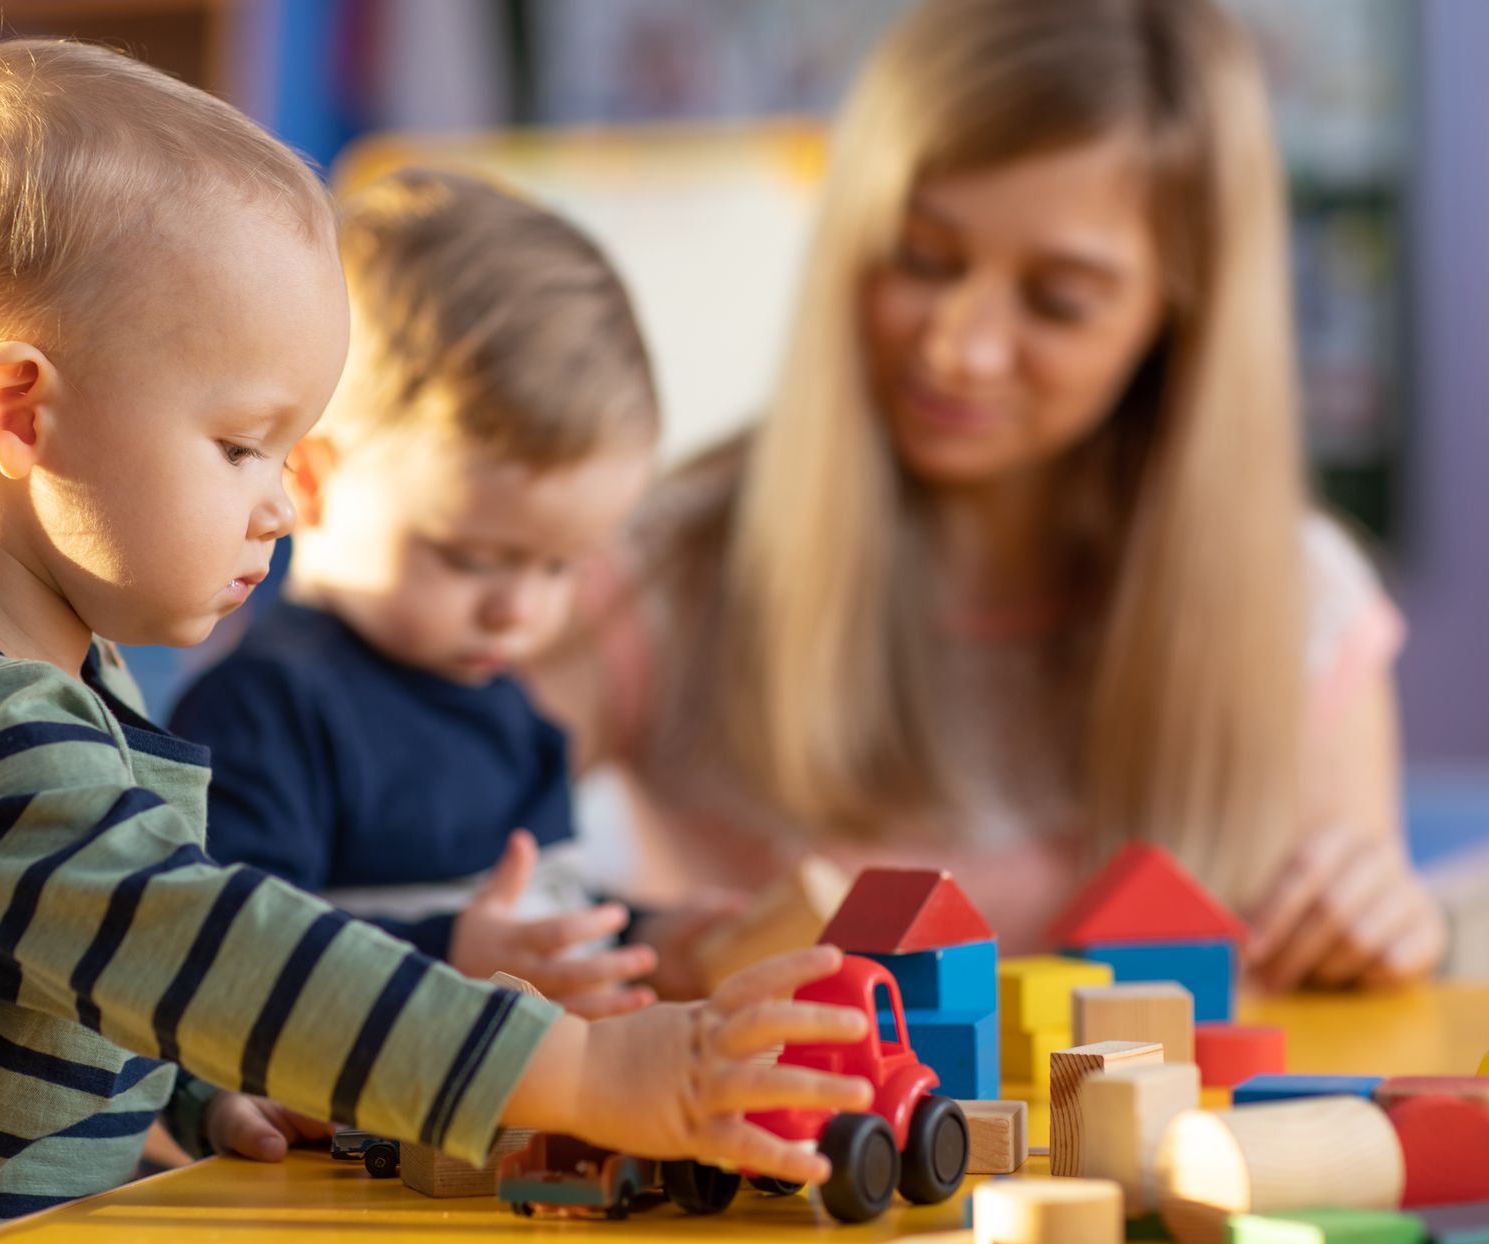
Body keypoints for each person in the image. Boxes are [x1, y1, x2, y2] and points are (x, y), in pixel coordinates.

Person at [0, 41, 867, 1244]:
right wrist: (589, 1069)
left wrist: (209, 1088)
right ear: (20, 413)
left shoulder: (54, 683)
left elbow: (107, 977)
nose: (281, 508)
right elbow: (205, 944)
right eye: (240, 447)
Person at [535, 0, 1444, 989]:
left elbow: (1348, 1000)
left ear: (1177, 319)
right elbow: (413, 879)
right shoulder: (664, 570)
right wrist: (658, 944)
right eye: (922, 258)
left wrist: (1386, 925)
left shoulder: (1298, 608)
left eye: (1060, 300)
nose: (961, 349)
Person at [171, 168, 734, 1013]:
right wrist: (453, 958)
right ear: (315, 481)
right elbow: (225, 959)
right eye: (472, 559)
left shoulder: (513, 714)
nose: (520, 610)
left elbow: (546, 919)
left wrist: (646, 940)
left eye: (560, 566)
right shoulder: (268, 708)